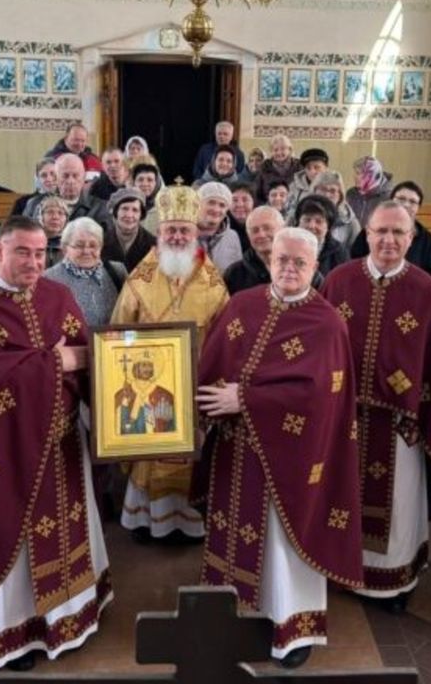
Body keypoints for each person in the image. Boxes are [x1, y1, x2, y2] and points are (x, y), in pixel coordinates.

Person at [0, 216, 108, 673]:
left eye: (41, 253)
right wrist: (58, 361)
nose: (33, 262)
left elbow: (91, 362)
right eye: (23, 252)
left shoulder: (58, 295)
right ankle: (13, 632)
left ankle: (66, 618)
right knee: (10, 535)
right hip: (0, 451)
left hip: (64, 442)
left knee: (68, 528)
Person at [196, 227, 363, 667]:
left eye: (300, 263)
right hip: (235, 452)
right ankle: (229, 621)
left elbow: (320, 397)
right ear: (270, 259)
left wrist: (245, 399)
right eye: (282, 259)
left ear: (314, 267)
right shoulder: (241, 305)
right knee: (234, 535)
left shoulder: (326, 323)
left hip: (292, 459)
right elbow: (209, 364)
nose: (289, 268)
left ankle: (292, 629)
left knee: (283, 547)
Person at [321, 201, 431, 614]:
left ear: (411, 238)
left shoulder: (429, 293)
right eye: (381, 231)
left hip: (402, 427)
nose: (388, 240)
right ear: (366, 233)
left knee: (397, 509)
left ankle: (391, 581)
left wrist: (427, 418)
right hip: (345, 422)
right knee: (341, 500)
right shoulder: (339, 281)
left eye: (398, 233)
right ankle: (340, 570)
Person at [111, 184, 229, 542]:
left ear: (196, 234)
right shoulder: (140, 279)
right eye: (170, 230)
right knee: (151, 451)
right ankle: (149, 521)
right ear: (159, 233)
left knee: (191, 453)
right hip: (148, 382)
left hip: (196, 383)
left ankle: (188, 523)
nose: (177, 236)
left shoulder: (214, 281)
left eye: (184, 230)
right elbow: (118, 330)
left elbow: (226, 336)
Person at [350, 181, 431, 284]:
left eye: (412, 202)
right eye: (401, 199)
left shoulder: (427, 240)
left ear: (418, 208)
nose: (406, 204)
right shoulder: (373, 229)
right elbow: (355, 260)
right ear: (391, 201)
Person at [44, 217, 128, 329]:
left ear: (101, 247)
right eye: (79, 245)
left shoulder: (117, 271)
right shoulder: (49, 279)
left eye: (93, 245)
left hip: (111, 344)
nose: (86, 251)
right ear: (64, 248)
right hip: (71, 346)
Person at [19, 154, 109, 223]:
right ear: (56, 178)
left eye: (75, 176)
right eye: (65, 176)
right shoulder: (35, 205)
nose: (70, 181)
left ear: (83, 178)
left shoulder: (100, 208)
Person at [224, 205, 284, 295]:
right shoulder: (234, 274)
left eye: (267, 228)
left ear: (283, 229)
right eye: (255, 230)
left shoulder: (300, 267)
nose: (261, 234)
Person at [102, 187, 156, 273]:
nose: (129, 215)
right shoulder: (100, 242)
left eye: (135, 210)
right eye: (124, 209)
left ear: (141, 215)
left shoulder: (154, 246)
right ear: (116, 212)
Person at [294, 194, 350, 276]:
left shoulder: (339, 252)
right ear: (298, 223)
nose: (311, 226)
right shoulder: (285, 246)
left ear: (328, 227)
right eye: (307, 220)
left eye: (319, 221)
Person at [196, 181, 244, 273]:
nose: (216, 209)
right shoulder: (182, 235)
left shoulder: (232, 237)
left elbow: (237, 274)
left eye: (222, 205)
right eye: (211, 203)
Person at [312, 170, 361, 249]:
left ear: (340, 195)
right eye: (323, 189)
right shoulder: (299, 214)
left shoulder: (350, 223)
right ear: (314, 191)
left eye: (333, 191)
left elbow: (355, 255)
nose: (327, 195)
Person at [254, 133, 302, 204]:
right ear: (271, 152)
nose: (279, 153)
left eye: (283, 149)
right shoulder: (264, 167)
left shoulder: (299, 166)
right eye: (275, 150)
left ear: (289, 150)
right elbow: (257, 194)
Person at [284, 148, 330, 216]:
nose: (312, 172)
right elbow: (287, 210)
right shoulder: (294, 187)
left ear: (326, 168)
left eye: (317, 167)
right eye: (308, 168)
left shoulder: (334, 187)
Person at [346, 156, 392, 225]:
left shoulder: (389, 198)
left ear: (372, 175)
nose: (354, 176)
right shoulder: (351, 194)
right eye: (355, 173)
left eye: (359, 173)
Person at [35, 196, 69, 268]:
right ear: (41, 217)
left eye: (60, 213)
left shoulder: (71, 246)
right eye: (50, 212)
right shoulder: (33, 243)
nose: (55, 217)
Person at [132, 161, 163, 234]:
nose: (145, 184)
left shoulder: (163, 208)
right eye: (140, 180)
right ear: (134, 182)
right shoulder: (125, 206)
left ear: (157, 183)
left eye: (150, 180)